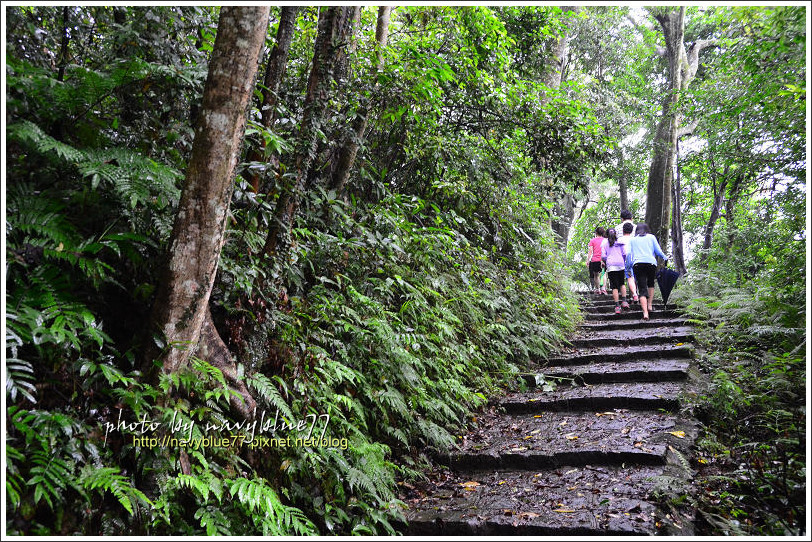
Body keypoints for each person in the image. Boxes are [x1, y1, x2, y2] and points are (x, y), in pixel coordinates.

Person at [627, 222, 667, 321]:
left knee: (642, 288)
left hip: (638, 264)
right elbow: (658, 251)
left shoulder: (632, 240)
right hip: (651, 264)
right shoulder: (651, 237)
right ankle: (649, 305)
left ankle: (645, 313)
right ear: (647, 229)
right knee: (650, 284)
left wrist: (628, 267)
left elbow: (628, 254)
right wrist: (665, 257)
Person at [600, 228, 626, 314]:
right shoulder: (620, 243)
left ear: (606, 235)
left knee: (614, 287)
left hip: (611, 265)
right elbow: (625, 254)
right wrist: (622, 260)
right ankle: (624, 301)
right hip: (620, 264)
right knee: (622, 283)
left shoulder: (604, 244)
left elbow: (603, 256)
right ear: (615, 234)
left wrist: (606, 261)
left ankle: (617, 306)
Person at [616, 221, 638, 307]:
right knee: (634, 278)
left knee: (629, 278)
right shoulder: (634, 239)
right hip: (636, 260)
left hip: (626, 260)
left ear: (623, 230)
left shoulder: (620, 239)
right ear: (632, 230)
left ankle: (634, 295)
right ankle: (633, 295)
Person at [587, 227, 606, 294]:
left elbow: (590, 251)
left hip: (595, 260)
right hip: (603, 259)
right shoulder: (605, 240)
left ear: (596, 233)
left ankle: (598, 289)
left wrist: (588, 260)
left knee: (596, 275)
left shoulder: (592, 240)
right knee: (603, 274)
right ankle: (603, 289)